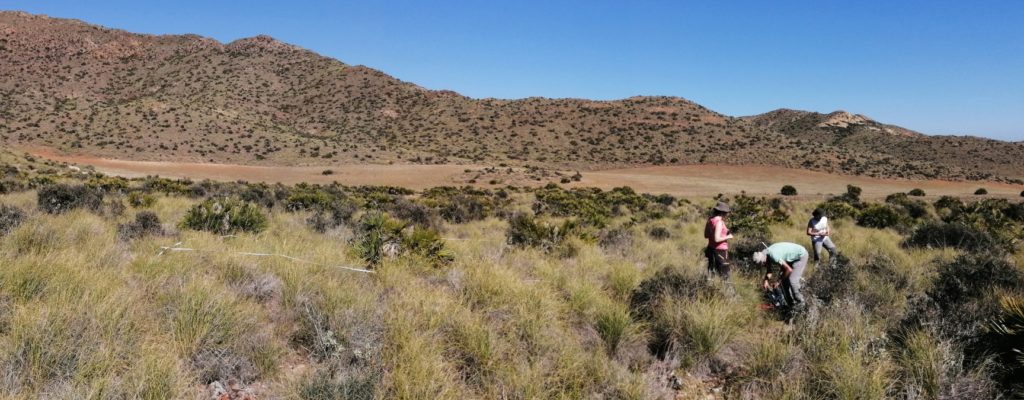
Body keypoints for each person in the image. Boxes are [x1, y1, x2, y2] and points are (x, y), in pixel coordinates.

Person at [754, 242, 809, 309]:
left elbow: (788, 269)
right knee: (784, 282)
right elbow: (769, 271)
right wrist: (766, 280)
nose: (763, 265)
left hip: (801, 256)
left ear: (763, 260)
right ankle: (791, 306)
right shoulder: (764, 254)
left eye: (763, 264)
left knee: (792, 280)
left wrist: (778, 281)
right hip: (791, 258)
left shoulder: (773, 255)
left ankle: (802, 304)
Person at [704, 201, 733, 278]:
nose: (727, 214)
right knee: (725, 275)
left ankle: (711, 288)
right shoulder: (719, 222)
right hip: (720, 251)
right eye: (726, 213)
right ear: (723, 212)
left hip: (711, 249)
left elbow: (706, 235)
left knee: (711, 272)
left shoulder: (710, 220)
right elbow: (717, 239)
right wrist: (728, 236)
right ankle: (725, 290)